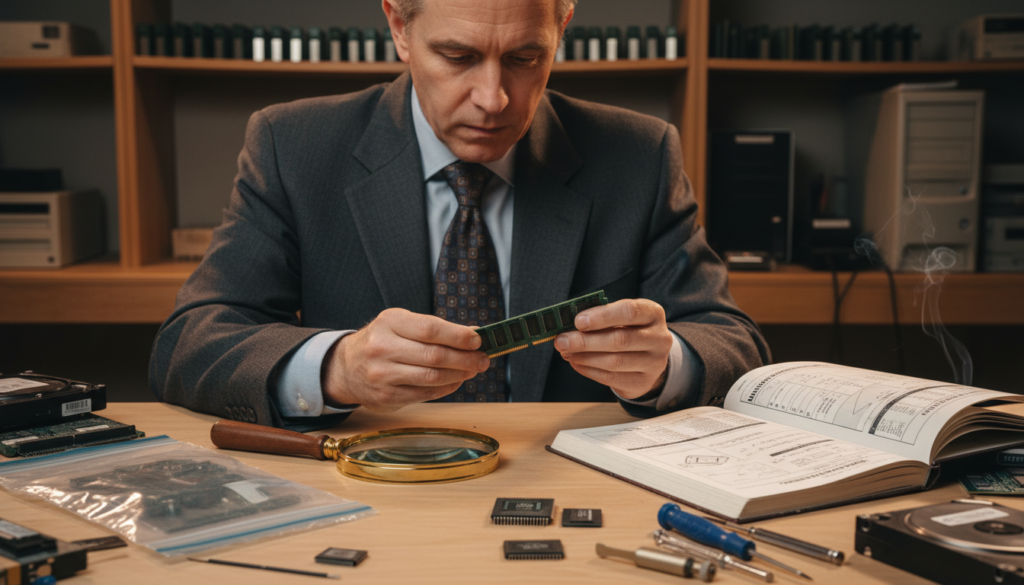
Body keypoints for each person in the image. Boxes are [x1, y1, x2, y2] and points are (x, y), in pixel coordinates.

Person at [149, 0, 770, 431]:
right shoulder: (293, 145)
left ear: (563, 29)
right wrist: (337, 369)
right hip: (373, 486)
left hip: (573, 490)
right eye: (458, 56)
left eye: (526, 58)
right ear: (398, 26)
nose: (493, 99)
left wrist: (666, 365)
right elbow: (189, 344)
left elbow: (735, 344)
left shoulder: (640, 154)